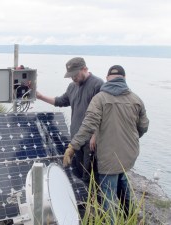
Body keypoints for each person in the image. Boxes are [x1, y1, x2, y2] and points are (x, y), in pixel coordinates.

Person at [63, 65, 149, 220]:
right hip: (128, 154)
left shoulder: (100, 99)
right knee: (123, 182)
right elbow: (143, 127)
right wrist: (129, 140)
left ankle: (109, 221)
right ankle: (132, 217)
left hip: (109, 157)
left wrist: (72, 146)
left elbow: (88, 126)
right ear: (124, 78)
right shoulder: (136, 99)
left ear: (108, 78)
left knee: (107, 196)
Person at [36, 57, 104, 185]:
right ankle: (83, 201)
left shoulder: (98, 84)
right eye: (70, 76)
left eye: (75, 74)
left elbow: (103, 113)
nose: (73, 78)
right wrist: (40, 97)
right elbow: (60, 101)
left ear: (85, 69)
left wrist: (96, 135)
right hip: (76, 139)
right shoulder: (72, 87)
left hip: (91, 142)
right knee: (78, 173)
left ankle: (93, 203)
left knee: (90, 177)